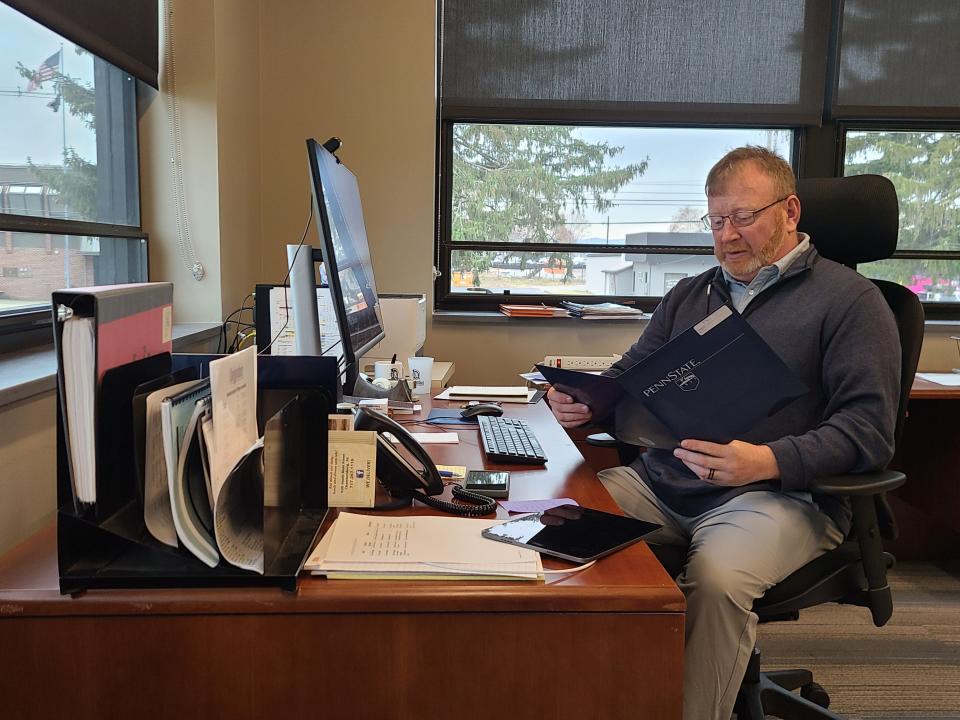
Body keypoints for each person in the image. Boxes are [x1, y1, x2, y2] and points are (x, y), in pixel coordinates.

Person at [547, 146, 900, 720]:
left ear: (790, 212)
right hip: (666, 483)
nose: (728, 236)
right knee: (561, 518)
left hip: (778, 496)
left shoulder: (851, 303)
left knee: (715, 579)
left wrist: (765, 460)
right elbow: (632, 380)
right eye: (716, 220)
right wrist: (589, 404)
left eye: (744, 217)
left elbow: (868, 433)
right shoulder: (693, 294)